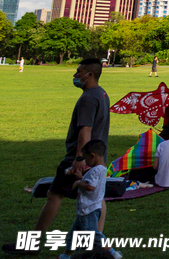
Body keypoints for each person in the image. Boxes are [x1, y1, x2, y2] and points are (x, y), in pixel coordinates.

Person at [2, 59, 110, 257]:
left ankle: (32, 243)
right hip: (98, 158)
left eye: (79, 72)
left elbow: (84, 131)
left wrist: (79, 158)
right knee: (96, 199)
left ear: (90, 75)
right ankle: (96, 244)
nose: (75, 76)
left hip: (80, 157)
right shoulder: (101, 93)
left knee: (54, 195)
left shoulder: (87, 98)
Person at [58, 140, 121, 259]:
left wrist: (77, 183)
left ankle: (113, 253)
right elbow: (93, 183)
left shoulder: (94, 170)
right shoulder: (102, 169)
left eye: (86, 159)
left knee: (93, 234)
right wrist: (81, 178)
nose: (86, 162)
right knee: (74, 235)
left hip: (89, 209)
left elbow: (90, 186)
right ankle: (65, 256)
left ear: (92, 156)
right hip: (90, 208)